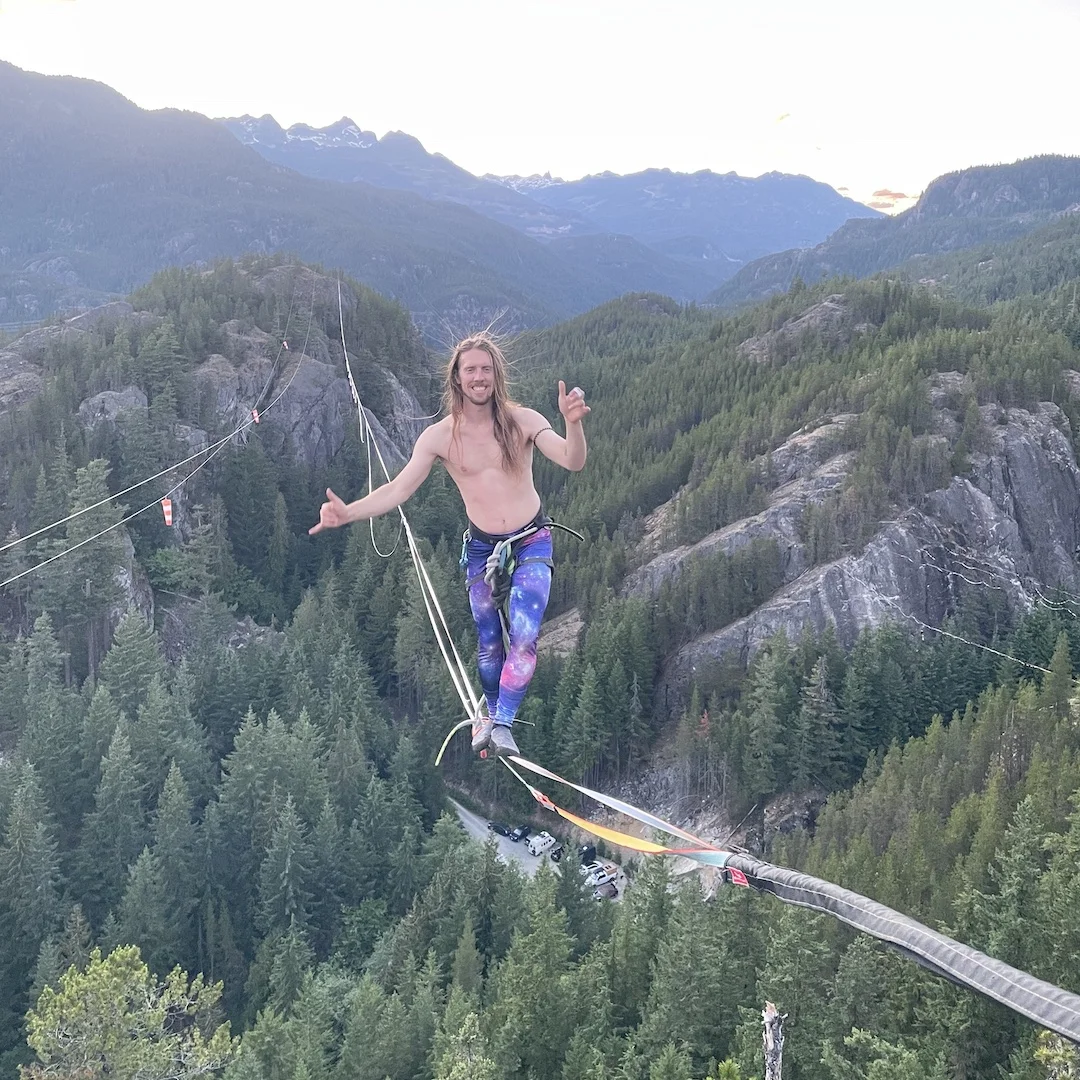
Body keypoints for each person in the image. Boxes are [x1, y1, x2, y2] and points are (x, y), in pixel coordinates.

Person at [310, 332, 589, 756]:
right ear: (457, 379)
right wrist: (349, 512)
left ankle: (502, 725)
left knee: (526, 633)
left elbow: (572, 460)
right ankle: (492, 711)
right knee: (490, 640)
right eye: (470, 370)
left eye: (485, 369)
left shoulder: (525, 421)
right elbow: (399, 489)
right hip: (481, 551)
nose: (479, 377)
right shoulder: (440, 438)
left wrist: (573, 424)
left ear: (496, 375)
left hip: (531, 541)